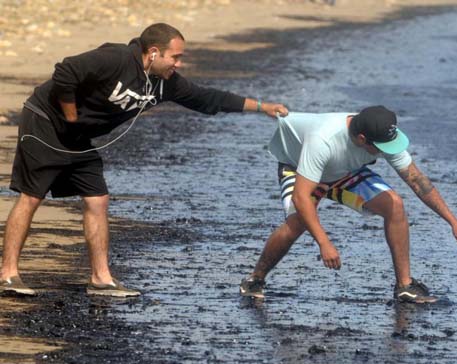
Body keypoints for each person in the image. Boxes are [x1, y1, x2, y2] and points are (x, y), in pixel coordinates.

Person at [0, 23, 288, 297]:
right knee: (32, 196)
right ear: (153, 52)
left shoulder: (165, 84)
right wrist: (72, 116)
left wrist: (262, 107)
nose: (179, 64)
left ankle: (101, 279)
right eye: (175, 57)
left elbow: (208, 98)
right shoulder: (115, 59)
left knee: (97, 199)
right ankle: (8, 274)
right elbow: (65, 71)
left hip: (77, 139)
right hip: (44, 123)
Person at [239, 105, 457, 303]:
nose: (387, 151)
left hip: (344, 171)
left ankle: (405, 286)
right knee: (298, 222)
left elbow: (416, 180)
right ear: (362, 139)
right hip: (298, 166)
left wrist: (452, 221)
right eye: (381, 147)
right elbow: (302, 197)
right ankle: (255, 279)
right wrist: (324, 242)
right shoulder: (323, 139)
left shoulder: (379, 133)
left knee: (395, 205)